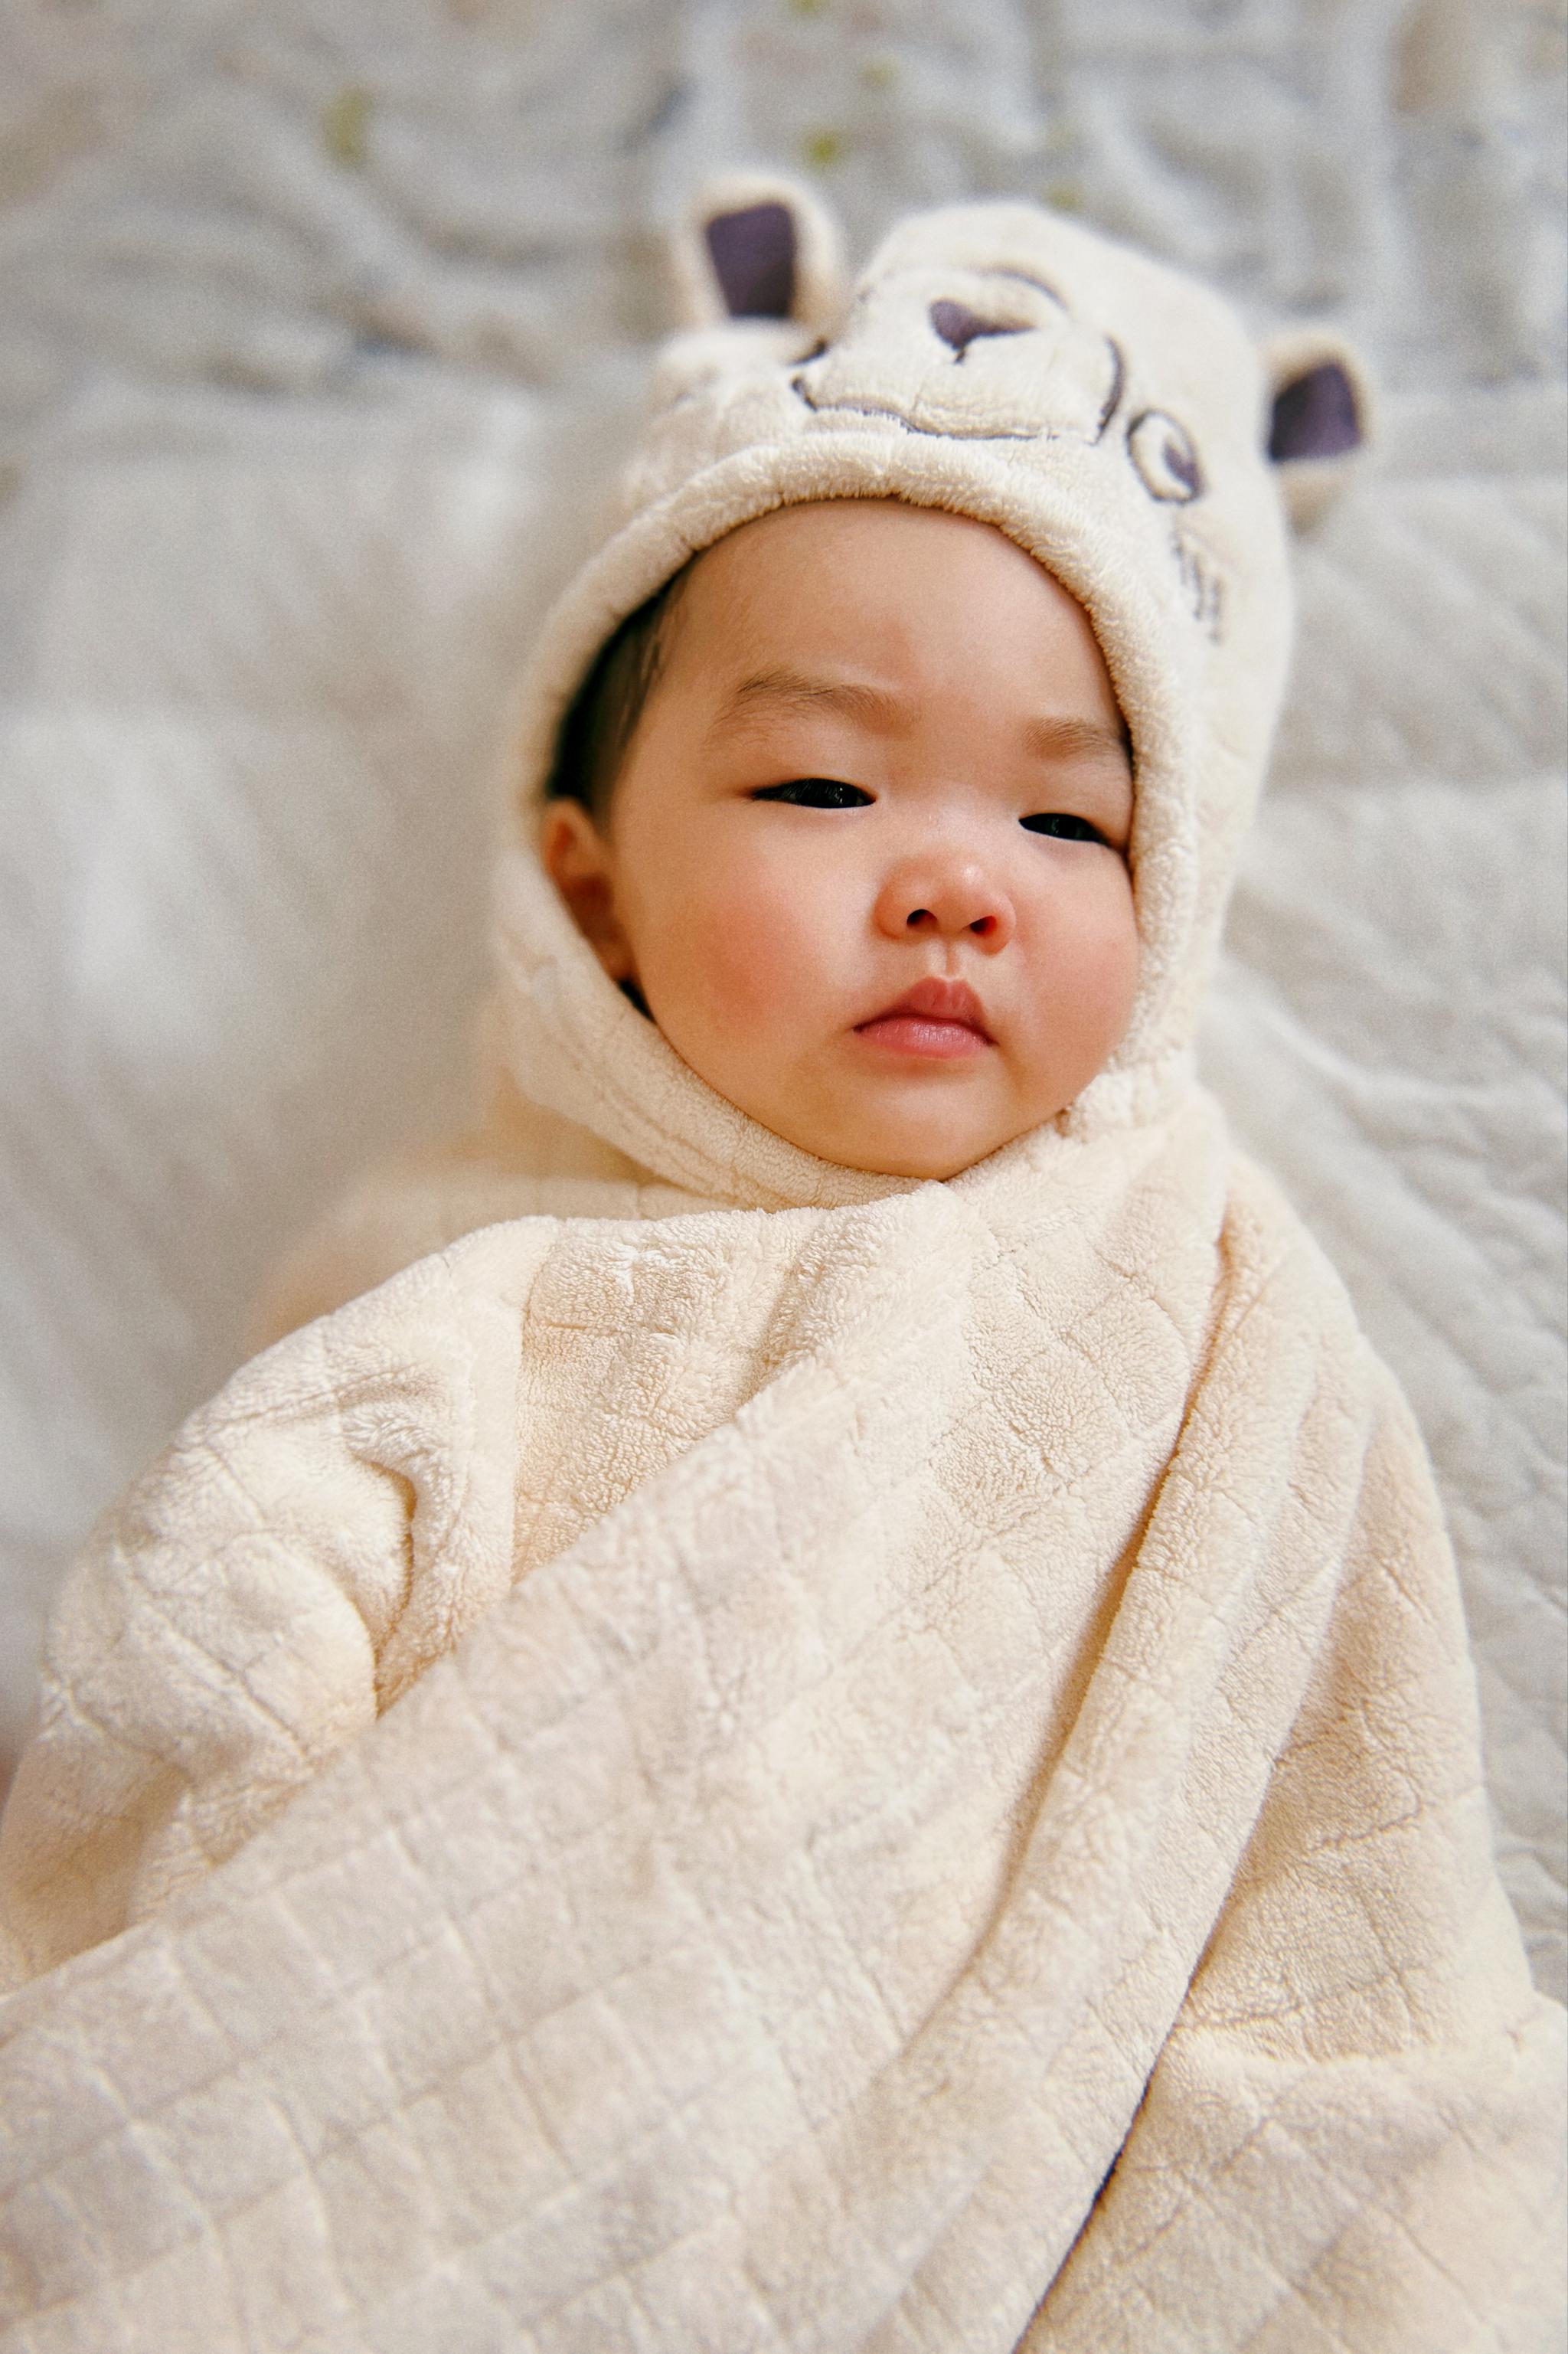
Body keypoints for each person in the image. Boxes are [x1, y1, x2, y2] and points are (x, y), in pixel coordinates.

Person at [0, 181, 1560, 2352]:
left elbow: (1363, 1925)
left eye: (1068, 825)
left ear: (1175, 895)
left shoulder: (1222, 1332)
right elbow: (200, 1629)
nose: (952, 883)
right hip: (406, 2121)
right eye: (824, 782)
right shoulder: (474, 1266)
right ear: (594, 893)